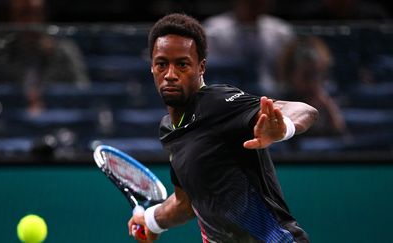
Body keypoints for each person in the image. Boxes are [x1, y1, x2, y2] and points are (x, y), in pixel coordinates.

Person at [128, 13, 318, 243]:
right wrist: (150, 220)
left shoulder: (217, 102)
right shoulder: (169, 129)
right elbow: (185, 204)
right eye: (161, 64)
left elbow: (304, 110)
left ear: (201, 67)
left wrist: (283, 127)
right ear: (152, 68)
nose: (170, 75)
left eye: (182, 64)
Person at [0, 0, 90, 114]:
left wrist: (53, 57)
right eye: (24, 14)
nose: (31, 22)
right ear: (12, 18)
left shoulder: (64, 50)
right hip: (10, 120)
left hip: (57, 119)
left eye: (36, 14)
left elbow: (82, 90)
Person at [203, 0, 295, 96]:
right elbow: (209, 72)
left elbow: (289, 75)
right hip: (229, 98)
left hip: (274, 97)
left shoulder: (282, 32)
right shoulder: (214, 30)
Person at [278, 36, 348, 137]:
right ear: (290, 74)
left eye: (316, 75)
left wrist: (327, 104)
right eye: (307, 76)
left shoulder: (327, 95)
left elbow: (340, 131)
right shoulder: (281, 101)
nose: (313, 83)